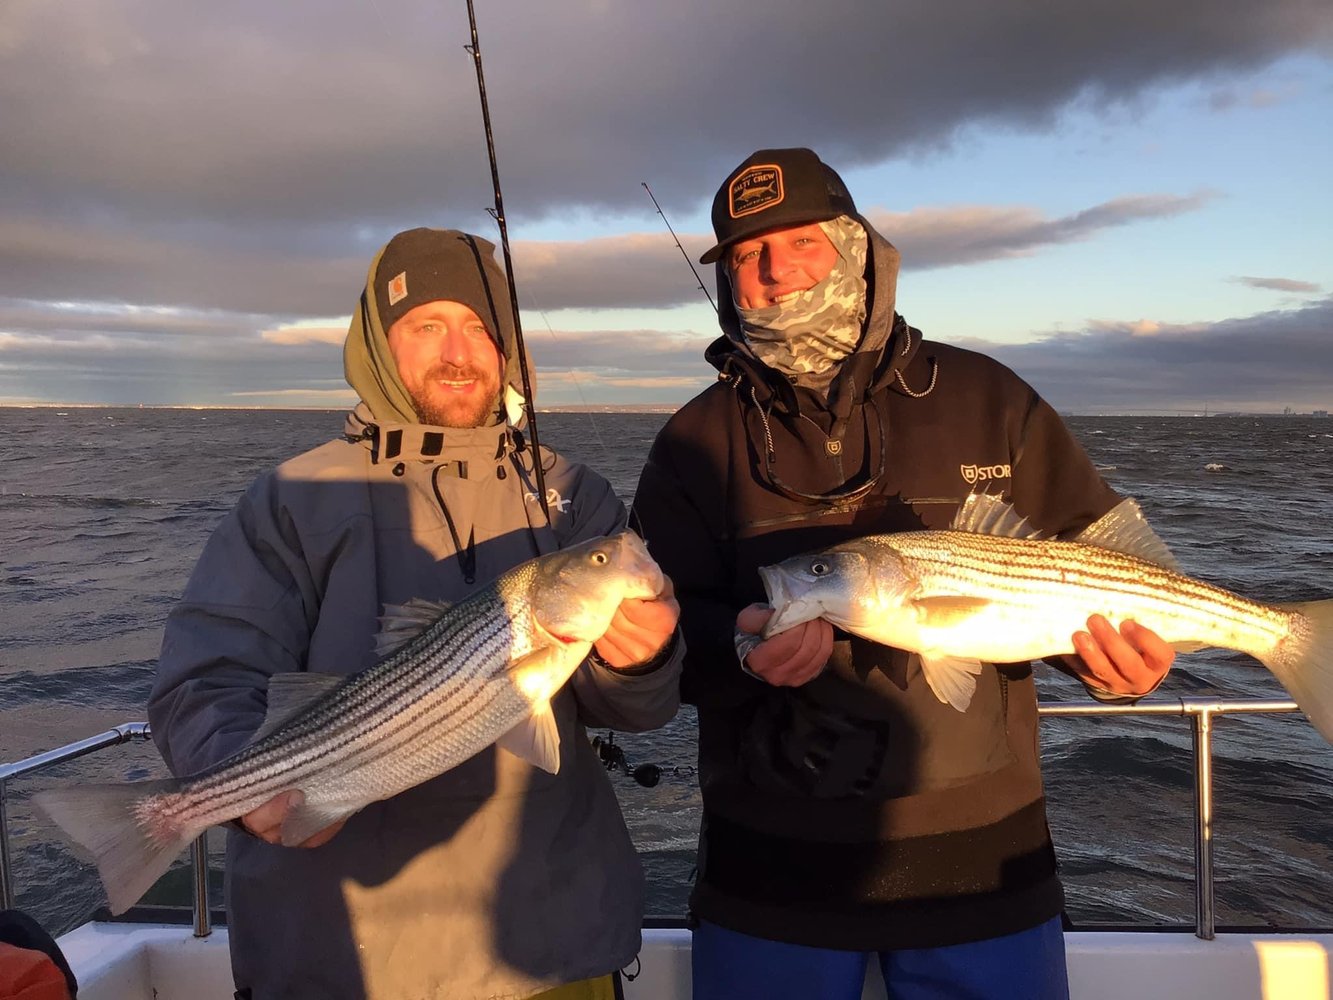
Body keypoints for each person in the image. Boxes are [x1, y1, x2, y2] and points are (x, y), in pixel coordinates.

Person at [630, 148, 1176, 999]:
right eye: (745, 256)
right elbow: (659, 630)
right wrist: (734, 651)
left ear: (856, 246)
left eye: (799, 243)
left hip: (986, 864)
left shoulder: (988, 398)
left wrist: (1115, 666)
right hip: (766, 873)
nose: (774, 272)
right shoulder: (693, 442)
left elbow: (1094, 562)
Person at [148, 228, 682, 1000]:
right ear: (376, 345)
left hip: (549, 934)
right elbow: (203, 675)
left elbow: (639, 712)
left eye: (478, 328)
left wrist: (642, 662)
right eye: (427, 326)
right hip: (341, 948)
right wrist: (241, 776)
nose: (457, 351)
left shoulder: (575, 493)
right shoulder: (292, 497)